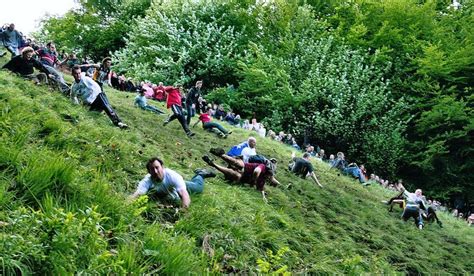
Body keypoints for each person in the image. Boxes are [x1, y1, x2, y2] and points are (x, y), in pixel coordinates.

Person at [130, 157, 215, 208]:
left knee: (198, 188)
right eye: (152, 169)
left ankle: (200, 174)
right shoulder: (147, 180)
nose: (155, 171)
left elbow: (184, 195)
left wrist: (184, 211)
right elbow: (138, 194)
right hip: (172, 192)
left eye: (157, 167)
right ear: (149, 172)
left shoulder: (172, 175)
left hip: (183, 186)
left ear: (162, 167)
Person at [202, 154, 279, 202]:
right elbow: (256, 171)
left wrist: (263, 197)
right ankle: (221, 155)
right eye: (269, 177)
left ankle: (213, 164)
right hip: (242, 166)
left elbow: (261, 189)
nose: (268, 178)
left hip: (239, 176)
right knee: (240, 165)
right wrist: (253, 181)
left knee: (237, 175)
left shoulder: (262, 181)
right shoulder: (263, 167)